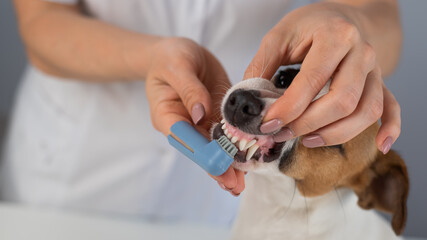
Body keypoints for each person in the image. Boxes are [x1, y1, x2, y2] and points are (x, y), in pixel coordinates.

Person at [0, 0, 401, 226]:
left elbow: (382, 18)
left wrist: (349, 24)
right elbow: (41, 19)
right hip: (69, 184)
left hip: (220, 208)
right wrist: (152, 57)